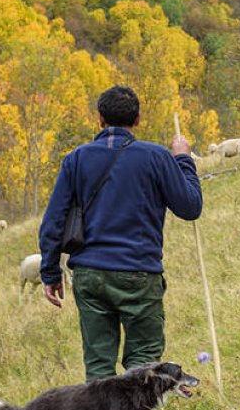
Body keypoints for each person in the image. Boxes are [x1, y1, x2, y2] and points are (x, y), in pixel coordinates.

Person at [38, 85, 202, 381]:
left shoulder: (76, 159)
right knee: (144, 367)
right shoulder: (157, 157)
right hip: (138, 272)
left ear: (99, 119)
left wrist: (50, 273)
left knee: (99, 368)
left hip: (89, 274)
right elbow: (190, 207)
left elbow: (53, 222)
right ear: (138, 119)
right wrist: (183, 159)